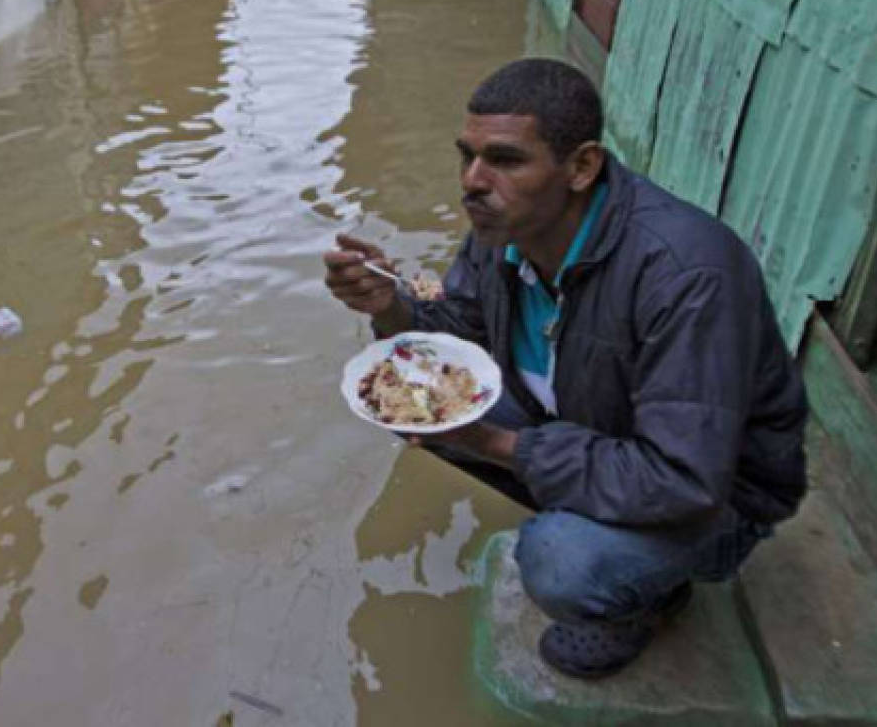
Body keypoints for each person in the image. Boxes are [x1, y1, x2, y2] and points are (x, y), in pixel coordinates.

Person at [323, 58, 807, 679]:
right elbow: (459, 338)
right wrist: (389, 306)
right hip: (597, 425)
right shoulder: (501, 231)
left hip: (718, 497)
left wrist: (496, 443)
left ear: (581, 167)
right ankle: (614, 540)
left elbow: (686, 480)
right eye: (466, 155)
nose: (472, 181)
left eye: (504, 160)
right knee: (406, 394)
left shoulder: (687, 276)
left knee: (558, 561)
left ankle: (645, 595)